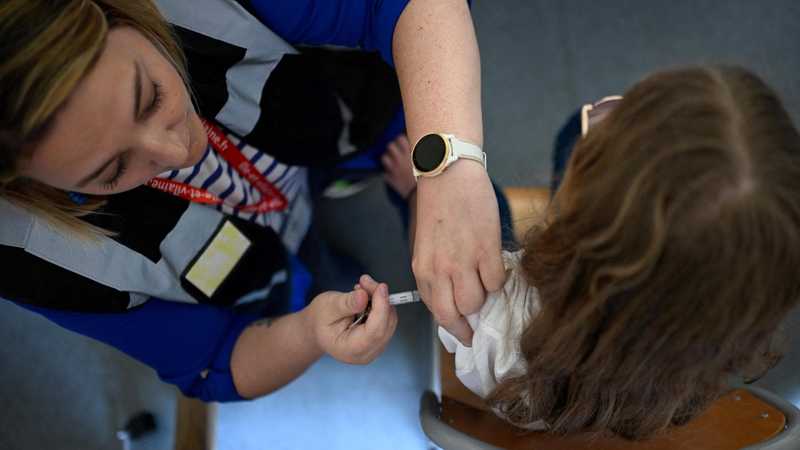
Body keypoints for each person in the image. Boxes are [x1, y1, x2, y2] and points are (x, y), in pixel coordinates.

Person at [0, 0, 502, 401]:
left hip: (337, 123)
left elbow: (403, 6)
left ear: (117, 10)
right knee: (323, 281)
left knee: (421, 178)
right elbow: (211, 359)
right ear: (27, 186)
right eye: (110, 172)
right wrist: (307, 334)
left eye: (150, 97)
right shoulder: (31, 258)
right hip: (256, 263)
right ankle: (318, 269)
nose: (178, 151)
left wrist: (447, 172)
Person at [379, 65, 800, 439]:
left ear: (592, 230)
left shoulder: (497, 326)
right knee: (572, 133)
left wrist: (421, 193)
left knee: (492, 195)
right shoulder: (716, 331)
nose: (605, 109)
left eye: (620, 117)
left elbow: (444, 269)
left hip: (501, 319)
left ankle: (406, 188)